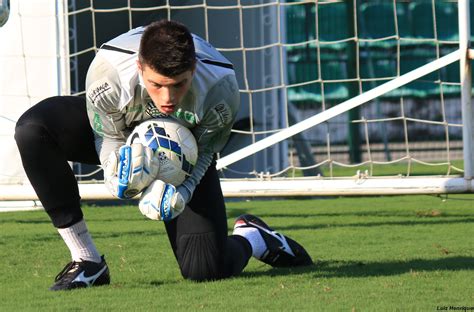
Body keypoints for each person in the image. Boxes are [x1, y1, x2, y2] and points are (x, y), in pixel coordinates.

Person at [14, 20, 312, 291]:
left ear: (193, 70)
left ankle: (253, 238)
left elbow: (206, 152)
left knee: (204, 270)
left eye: (178, 85)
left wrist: (182, 189)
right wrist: (114, 168)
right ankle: (87, 260)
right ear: (141, 68)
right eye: (157, 85)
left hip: (187, 151)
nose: (167, 98)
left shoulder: (221, 89)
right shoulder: (107, 72)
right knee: (33, 131)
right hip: (122, 131)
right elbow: (107, 135)